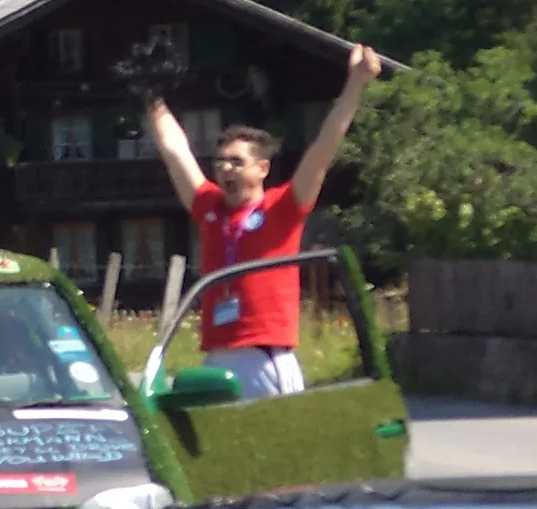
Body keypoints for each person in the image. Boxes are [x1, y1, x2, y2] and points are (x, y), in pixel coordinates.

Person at [146, 43, 382, 399]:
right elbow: (174, 148)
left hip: (266, 357)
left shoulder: (283, 207)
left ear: (263, 168)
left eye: (237, 162)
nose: (226, 168)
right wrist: (152, 98)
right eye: (221, 161)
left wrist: (356, 83)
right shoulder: (209, 207)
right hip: (216, 355)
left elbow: (324, 148)